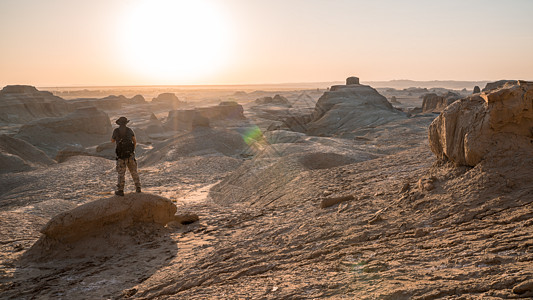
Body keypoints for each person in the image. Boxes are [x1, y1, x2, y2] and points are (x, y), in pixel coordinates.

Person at [111, 117, 141, 196]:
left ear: (119, 124)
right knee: (134, 172)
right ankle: (138, 188)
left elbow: (112, 140)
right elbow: (134, 141)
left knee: (121, 173)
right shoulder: (129, 130)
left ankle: (120, 190)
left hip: (121, 156)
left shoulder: (116, 131)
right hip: (130, 155)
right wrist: (131, 151)